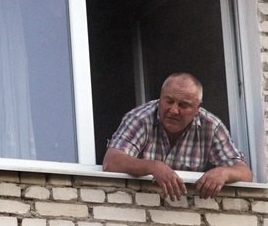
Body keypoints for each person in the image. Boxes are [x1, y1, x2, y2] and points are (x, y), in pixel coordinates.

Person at [102, 72, 252, 199]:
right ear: (160, 98)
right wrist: (153, 167)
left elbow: (245, 174)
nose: (173, 110)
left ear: (198, 108)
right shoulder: (140, 118)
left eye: (183, 105)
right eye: (169, 101)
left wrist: (223, 173)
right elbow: (111, 162)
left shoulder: (211, 126)